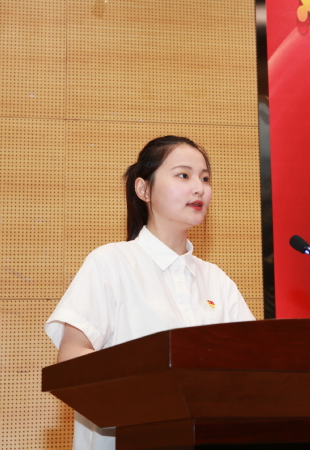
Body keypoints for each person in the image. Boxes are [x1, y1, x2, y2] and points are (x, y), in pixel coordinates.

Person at [45, 136, 255, 450]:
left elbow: (253, 367)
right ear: (144, 189)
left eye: (205, 178)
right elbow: (71, 358)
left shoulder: (217, 281)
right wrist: (156, 386)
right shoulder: (110, 263)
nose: (199, 188)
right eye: (183, 175)